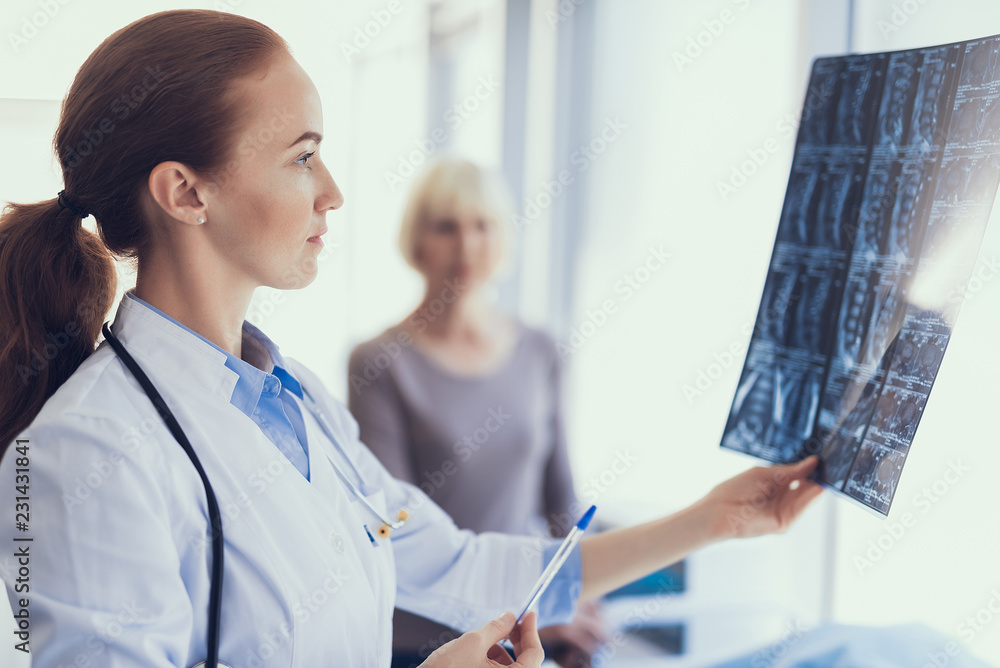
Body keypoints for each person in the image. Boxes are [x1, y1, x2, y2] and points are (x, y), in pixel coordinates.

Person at [0, 9, 823, 668]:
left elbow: (459, 567)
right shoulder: (81, 455)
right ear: (186, 192)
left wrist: (714, 521)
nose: (334, 193)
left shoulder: (297, 402)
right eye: (302, 158)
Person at [348, 158, 606, 667]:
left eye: (482, 226)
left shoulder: (540, 352)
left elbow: (561, 502)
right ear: (418, 241)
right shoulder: (380, 363)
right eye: (447, 227)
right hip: (422, 641)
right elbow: (396, 527)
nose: (466, 246)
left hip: (524, 625)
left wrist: (579, 603)